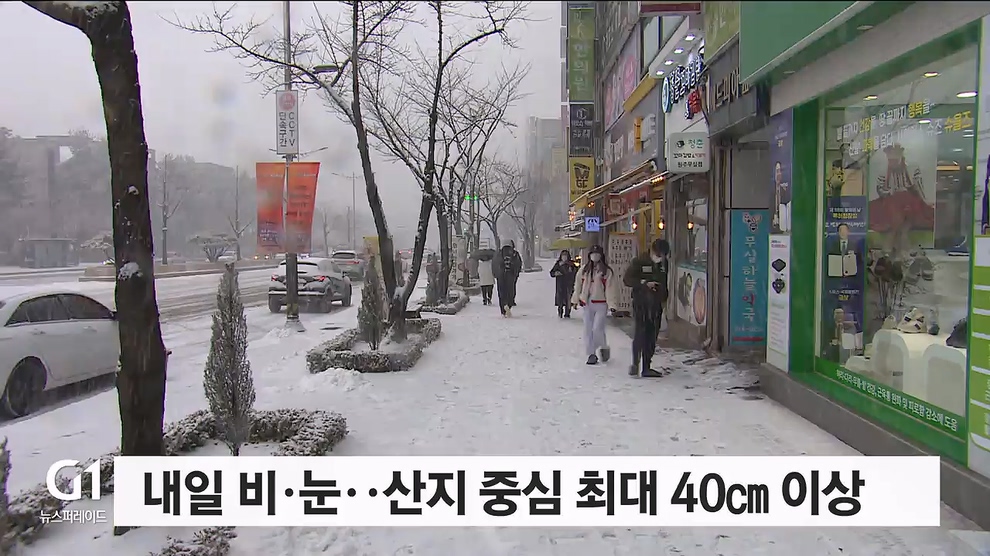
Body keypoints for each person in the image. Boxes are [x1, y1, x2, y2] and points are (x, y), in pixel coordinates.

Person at [624, 238, 670, 377]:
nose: (660, 257)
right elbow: (627, 280)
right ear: (653, 251)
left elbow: (664, 282)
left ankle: (646, 366)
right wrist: (644, 283)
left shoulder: (663, 264)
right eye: (659, 254)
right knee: (640, 333)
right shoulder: (639, 261)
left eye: (663, 255)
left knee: (652, 336)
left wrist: (663, 295)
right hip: (641, 303)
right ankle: (635, 363)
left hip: (656, 304)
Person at [572, 244, 618, 365]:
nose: (595, 256)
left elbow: (610, 289)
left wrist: (612, 305)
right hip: (587, 303)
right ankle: (591, 354)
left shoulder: (606, 271)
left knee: (598, 328)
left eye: (597, 254)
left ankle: (603, 346)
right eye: (593, 253)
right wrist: (575, 300)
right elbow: (578, 286)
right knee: (588, 329)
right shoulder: (584, 270)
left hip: (601, 303)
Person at [493, 240, 521, 316]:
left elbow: (494, 264)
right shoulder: (515, 253)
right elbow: (518, 264)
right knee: (510, 291)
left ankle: (503, 308)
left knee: (501, 292)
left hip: (500, 275)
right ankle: (508, 304)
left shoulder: (499, 254)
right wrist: (516, 273)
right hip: (510, 275)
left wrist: (495, 274)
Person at [549, 249, 579, 318]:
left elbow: (576, 273)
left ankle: (567, 313)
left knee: (568, 299)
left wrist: (572, 271)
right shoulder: (558, 264)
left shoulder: (571, 264)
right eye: (563, 255)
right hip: (560, 284)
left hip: (569, 284)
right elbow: (552, 273)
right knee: (560, 299)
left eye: (566, 255)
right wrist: (556, 273)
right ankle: (560, 312)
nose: (564, 257)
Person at [509, 240, 523, 307]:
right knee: (512, 287)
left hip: (513, 273)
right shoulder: (515, 253)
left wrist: (517, 270)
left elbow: (519, 263)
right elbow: (519, 263)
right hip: (512, 273)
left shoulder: (515, 254)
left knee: (511, 286)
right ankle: (510, 299)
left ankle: (511, 299)